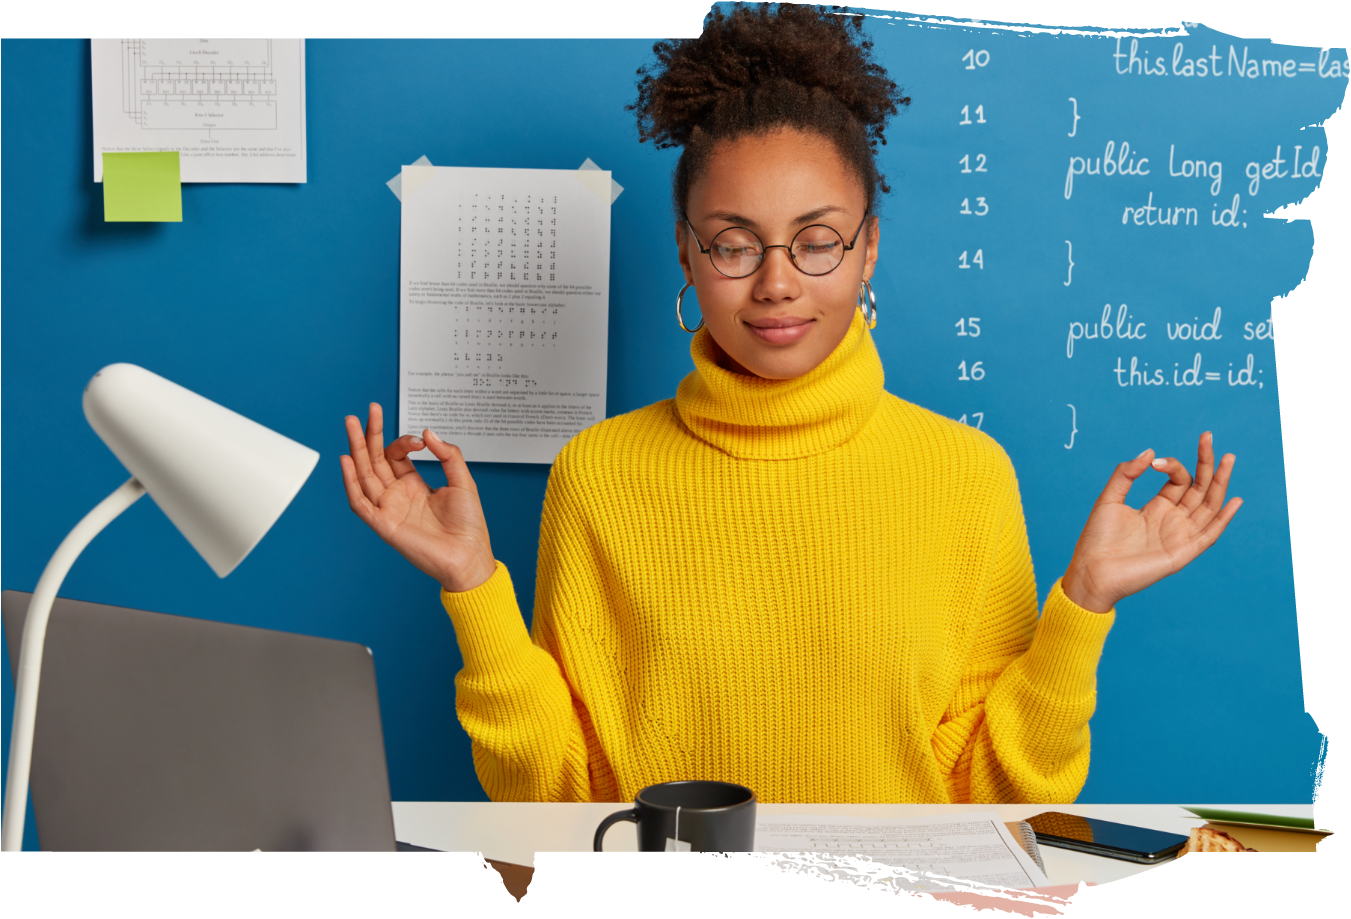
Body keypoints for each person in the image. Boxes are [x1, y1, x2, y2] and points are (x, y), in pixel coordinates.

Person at [340, 5, 1240, 804]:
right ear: (688, 256)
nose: (777, 284)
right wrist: (472, 586)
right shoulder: (600, 473)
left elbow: (992, 794)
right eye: (734, 244)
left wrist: (1081, 604)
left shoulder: (965, 477)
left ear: (868, 250)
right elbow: (560, 792)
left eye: (817, 242)